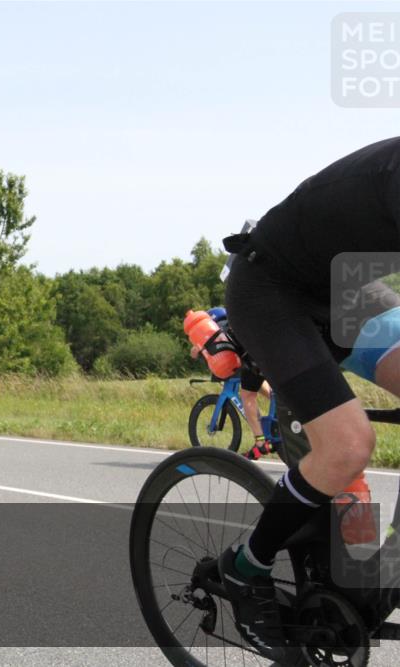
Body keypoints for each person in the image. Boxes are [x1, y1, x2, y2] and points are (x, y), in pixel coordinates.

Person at [220, 136, 400, 660]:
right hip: (271, 289)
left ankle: (379, 571)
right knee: (348, 446)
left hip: (349, 291)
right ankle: (245, 565)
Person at [189, 306, 275, 459]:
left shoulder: (219, 333)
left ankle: (261, 442)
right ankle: (280, 407)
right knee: (257, 383)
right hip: (270, 350)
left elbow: (214, 355)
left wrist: (198, 349)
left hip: (254, 357)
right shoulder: (237, 322)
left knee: (247, 395)